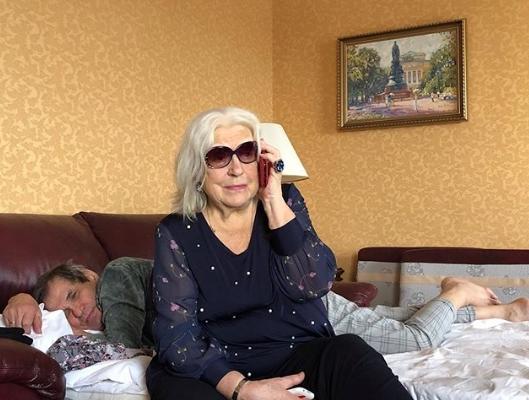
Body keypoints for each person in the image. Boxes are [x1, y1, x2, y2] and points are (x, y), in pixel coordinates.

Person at [146, 106, 413, 400]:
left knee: (351, 353)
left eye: (247, 152)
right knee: (177, 388)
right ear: (197, 169)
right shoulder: (176, 231)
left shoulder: (285, 201)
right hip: (218, 365)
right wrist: (242, 389)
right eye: (219, 156)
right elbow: (176, 333)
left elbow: (316, 283)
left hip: (297, 352)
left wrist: (273, 199)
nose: (236, 169)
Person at [2, 257, 154, 349]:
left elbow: (124, 346)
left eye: (73, 295)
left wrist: (73, 333)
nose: (77, 312)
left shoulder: (117, 273)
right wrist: (22, 299)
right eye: (66, 314)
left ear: (89, 276)